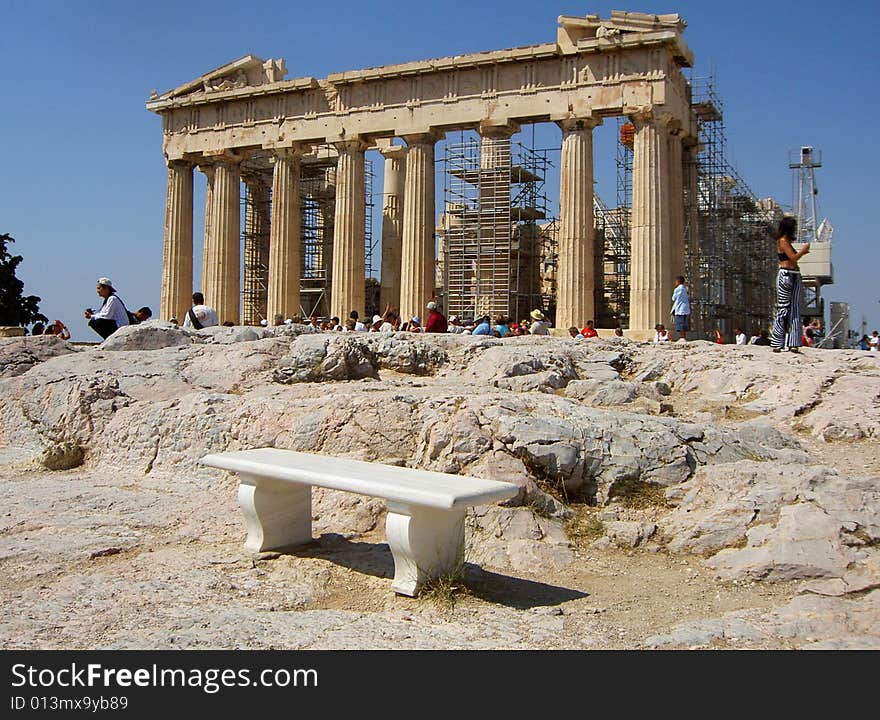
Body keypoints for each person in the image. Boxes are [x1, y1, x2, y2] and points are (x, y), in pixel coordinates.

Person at [770, 216, 810, 353]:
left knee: (794, 309)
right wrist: (803, 252)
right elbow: (793, 258)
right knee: (783, 309)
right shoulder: (782, 242)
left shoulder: (786, 241)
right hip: (786, 275)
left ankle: (793, 342)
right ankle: (777, 342)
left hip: (794, 275)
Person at [670, 276, 691, 340]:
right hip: (686, 309)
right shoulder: (685, 289)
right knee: (684, 324)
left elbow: (673, 298)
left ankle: (682, 337)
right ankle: (684, 337)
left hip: (680, 309)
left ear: (678, 281)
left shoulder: (677, 289)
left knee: (680, 324)